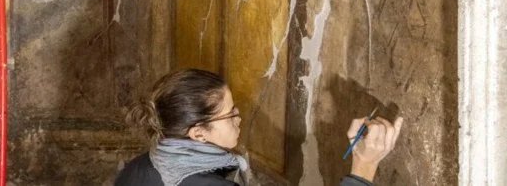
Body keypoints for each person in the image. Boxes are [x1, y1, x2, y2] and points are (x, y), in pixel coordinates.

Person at [115, 69, 404, 185]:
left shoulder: (137, 168)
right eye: (230, 114)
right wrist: (364, 166)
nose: (239, 118)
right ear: (198, 132)